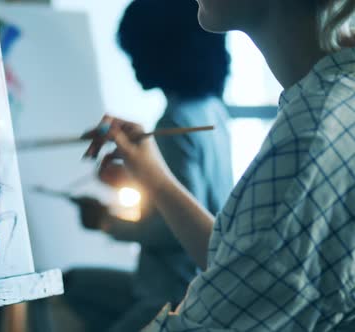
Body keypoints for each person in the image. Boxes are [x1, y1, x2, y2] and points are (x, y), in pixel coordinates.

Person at [84, 0, 355, 330]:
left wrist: (109, 223)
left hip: (169, 292)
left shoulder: (310, 136)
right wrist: (151, 173)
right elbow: (246, 262)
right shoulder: (332, 101)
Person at [62, 1, 233, 331]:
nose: (134, 64)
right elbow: (193, 196)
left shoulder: (174, 122)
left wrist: (107, 222)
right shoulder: (212, 111)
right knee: (74, 284)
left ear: (165, 48)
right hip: (182, 282)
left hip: (173, 293)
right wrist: (134, 180)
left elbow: (174, 230)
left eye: (138, 50)